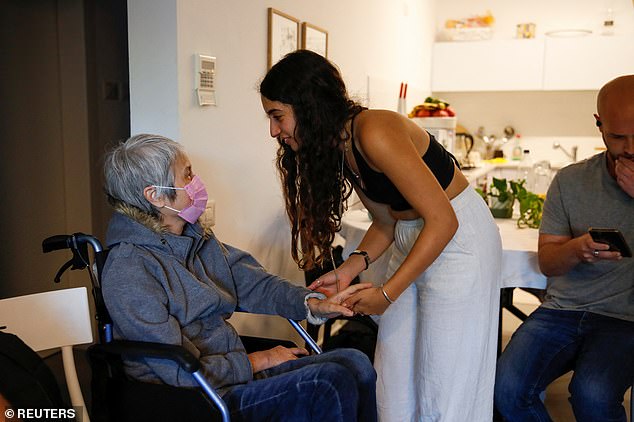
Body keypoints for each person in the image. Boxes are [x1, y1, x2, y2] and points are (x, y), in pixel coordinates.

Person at [259, 50, 502, 421]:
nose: (274, 131)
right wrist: (349, 269)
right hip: (414, 236)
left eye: (278, 116)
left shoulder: (373, 131)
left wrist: (387, 293)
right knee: (394, 370)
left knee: (445, 378)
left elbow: (443, 221)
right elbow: (387, 222)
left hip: (458, 242)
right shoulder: (341, 148)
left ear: (308, 107)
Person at [101, 134, 378, 422]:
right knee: (327, 382)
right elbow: (176, 369)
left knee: (355, 362)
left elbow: (253, 283)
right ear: (155, 195)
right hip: (193, 397)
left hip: (232, 373)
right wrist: (260, 360)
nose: (197, 181)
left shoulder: (196, 238)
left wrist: (311, 303)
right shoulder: (130, 268)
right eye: (187, 175)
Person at [494, 75, 634, 421]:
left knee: (592, 397)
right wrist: (576, 250)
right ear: (599, 126)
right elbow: (548, 262)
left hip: (625, 319)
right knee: (505, 391)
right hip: (562, 311)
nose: (630, 147)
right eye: (618, 137)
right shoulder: (570, 181)